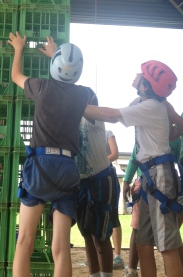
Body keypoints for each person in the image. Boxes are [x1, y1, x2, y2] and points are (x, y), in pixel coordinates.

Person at [84, 60, 183, 277]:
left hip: (159, 176)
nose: (136, 75)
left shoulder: (152, 107)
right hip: (150, 176)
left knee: (167, 245)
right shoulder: (143, 103)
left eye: (141, 74)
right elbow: (118, 116)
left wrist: (74, 105)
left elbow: (112, 115)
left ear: (146, 85)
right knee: (144, 242)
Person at [8, 32, 90, 277]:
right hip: (67, 168)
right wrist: (54, 54)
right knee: (62, 247)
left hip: (41, 166)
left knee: (25, 240)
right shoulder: (82, 94)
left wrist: (19, 49)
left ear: (54, 65)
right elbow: (63, 85)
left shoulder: (40, 87)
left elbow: (15, 76)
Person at [123, 137, 182, 277]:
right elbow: (134, 154)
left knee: (169, 241)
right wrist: (127, 179)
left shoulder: (172, 133)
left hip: (163, 182)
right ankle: (132, 269)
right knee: (142, 239)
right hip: (145, 183)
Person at [76, 89, 118, 277]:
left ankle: (106, 274)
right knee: (86, 233)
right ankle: (94, 274)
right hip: (81, 183)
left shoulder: (94, 115)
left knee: (101, 237)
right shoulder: (73, 119)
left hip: (101, 181)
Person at [106, 130, 124, 270]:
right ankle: (97, 254)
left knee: (113, 216)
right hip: (90, 178)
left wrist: (97, 162)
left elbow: (115, 153)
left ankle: (117, 256)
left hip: (107, 177)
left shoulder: (107, 132)